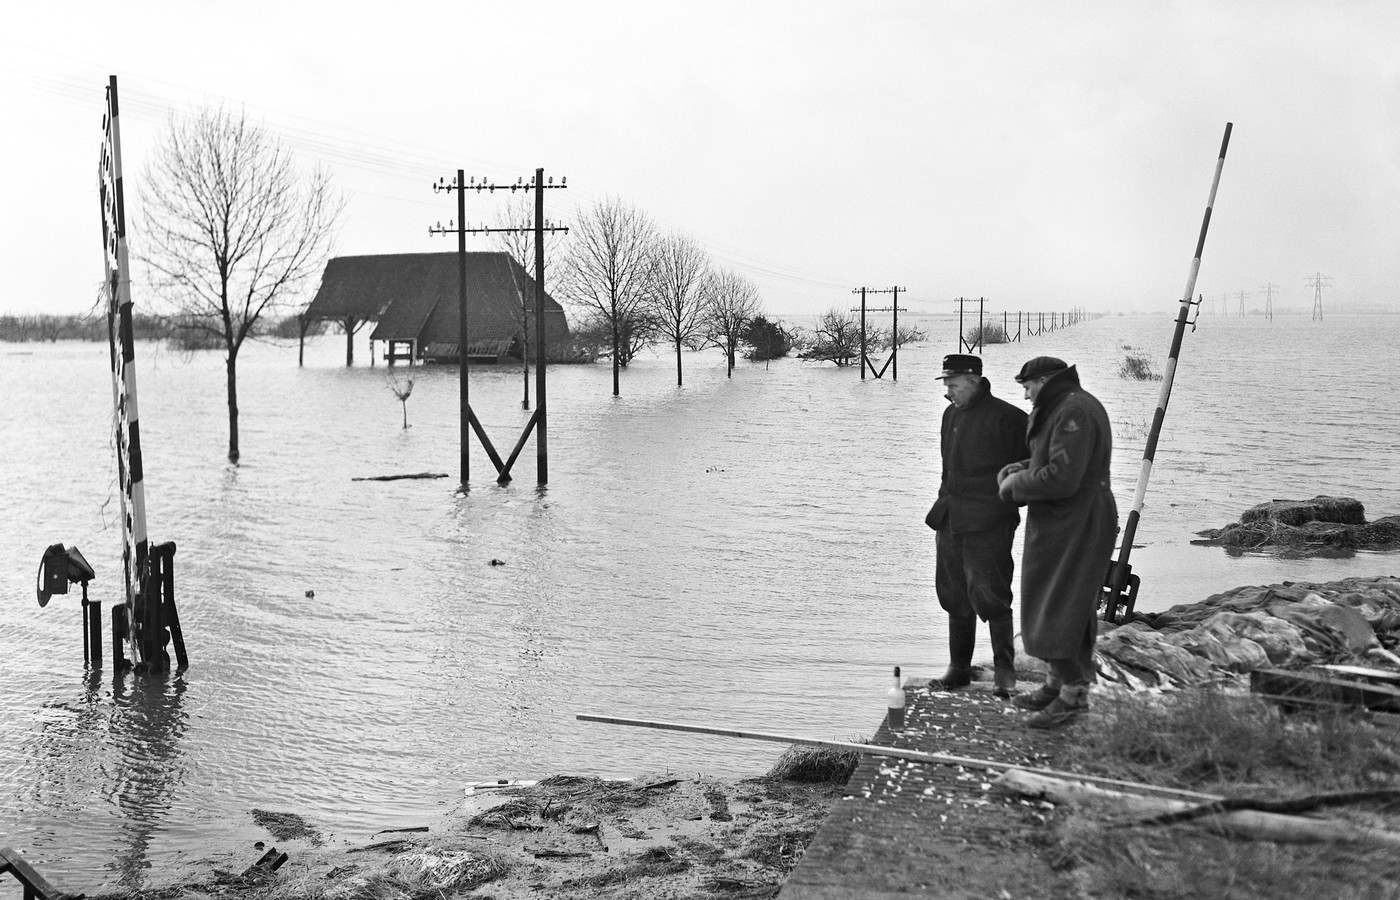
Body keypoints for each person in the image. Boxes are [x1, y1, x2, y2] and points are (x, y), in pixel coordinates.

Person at [997, 356, 1118, 729]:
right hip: (1064, 520)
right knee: (1061, 602)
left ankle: (1073, 696)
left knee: (1059, 605)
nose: (1026, 394)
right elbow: (1052, 463)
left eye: (1028, 386)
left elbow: (1062, 478)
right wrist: (1024, 467)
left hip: (1077, 520)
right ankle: (1056, 683)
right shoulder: (1066, 406)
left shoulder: (1072, 412)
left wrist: (1015, 485)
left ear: (1046, 381)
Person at [925, 354, 1028, 699]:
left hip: (990, 523)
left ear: (973, 380)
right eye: (946, 386)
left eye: (952, 385)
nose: (948, 392)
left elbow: (1033, 469)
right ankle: (958, 670)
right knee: (954, 595)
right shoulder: (950, 414)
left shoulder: (1010, 419)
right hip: (950, 519)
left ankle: (1005, 676)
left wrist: (1008, 505)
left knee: (991, 596)